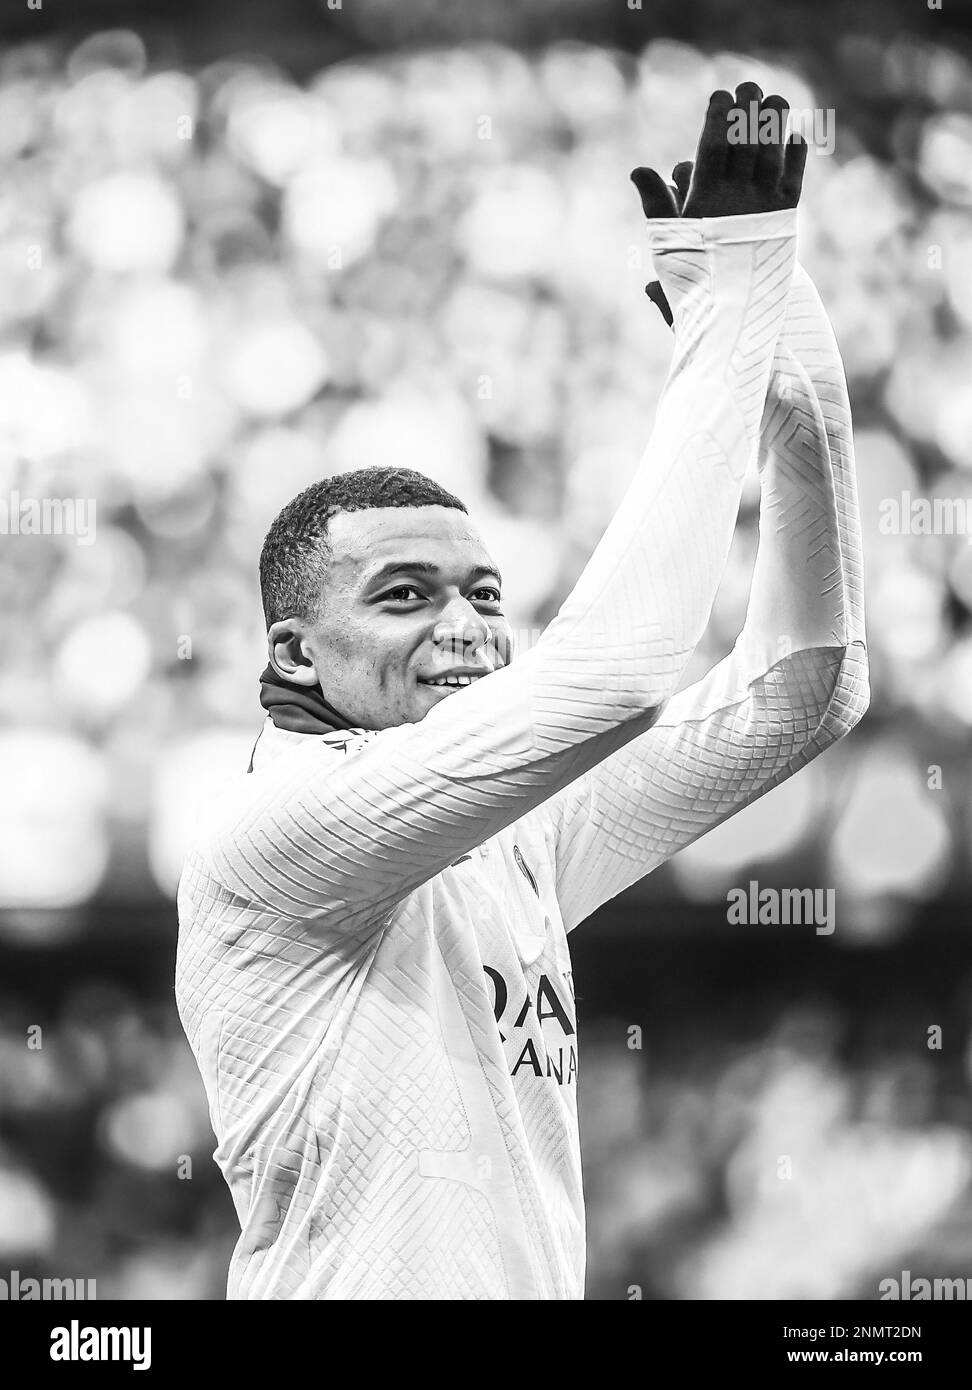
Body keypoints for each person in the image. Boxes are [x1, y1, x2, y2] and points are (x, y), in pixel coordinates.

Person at [176, 81, 868, 1299]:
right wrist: (733, 308)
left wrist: (780, 336)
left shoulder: (513, 842)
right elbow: (620, 672)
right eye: (404, 596)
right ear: (294, 655)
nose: (465, 627)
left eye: (486, 595)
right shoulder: (276, 835)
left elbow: (809, 688)